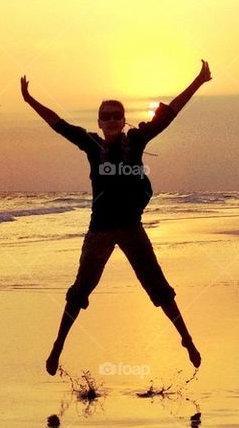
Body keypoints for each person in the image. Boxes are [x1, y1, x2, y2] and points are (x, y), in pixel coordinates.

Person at [21, 61, 212, 375]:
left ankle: (187, 339)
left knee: (157, 286)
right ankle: (57, 347)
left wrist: (199, 81)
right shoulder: (90, 144)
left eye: (116, 116)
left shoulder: (136, 141)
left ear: (123, 121)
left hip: (132, 228)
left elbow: (171, 113)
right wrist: (30, 101)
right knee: (81, 289)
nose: (111, 120)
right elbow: (58, 124)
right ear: (99, 121)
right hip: (100, 231)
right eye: (105, 116)